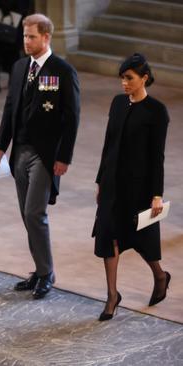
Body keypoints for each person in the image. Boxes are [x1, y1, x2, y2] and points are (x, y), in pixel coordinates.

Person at [0, 13, 79, 300]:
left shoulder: (62, 70)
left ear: (46, 37)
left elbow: (72, 117)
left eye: (31, 36)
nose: (26, 41)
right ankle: (40, 269)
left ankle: (47, 273)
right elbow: (10, 107)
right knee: (26, 214)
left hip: (45, 154)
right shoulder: (19, 68)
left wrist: (63, 157)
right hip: (21, 150)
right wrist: (1, 144)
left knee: (34, 213)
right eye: (24, 36)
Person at [93, 53, 171, 321]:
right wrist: (100, 180)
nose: (124, 83)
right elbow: (108, 144)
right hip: (112, 183)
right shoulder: (117, 104)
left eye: (129, 78)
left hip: (138, 189)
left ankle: (160, 275)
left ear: (144, 78)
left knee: (143, 241)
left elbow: (157, 156)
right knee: (107, 237)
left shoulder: (157, 111)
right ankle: (112, 295)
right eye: (122, 78)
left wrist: (157, 194)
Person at [0, 0, 32, 92]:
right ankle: (1, 80)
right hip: (8, 21)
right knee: (5, 53)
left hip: (7, 21)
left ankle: (2, 80)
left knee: (8, 54)